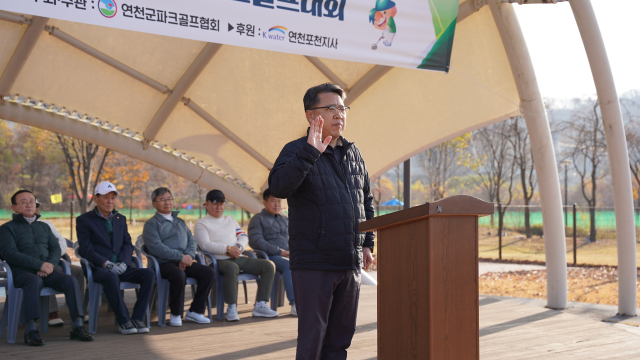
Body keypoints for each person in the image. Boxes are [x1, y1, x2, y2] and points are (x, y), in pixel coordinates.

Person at [268, 83, 375, 360]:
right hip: (315, 263)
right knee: (312, 341)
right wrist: (309, 153)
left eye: (342, 108)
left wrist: (367, 244)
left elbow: (366, 201)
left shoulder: (354, 153)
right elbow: (278, 187)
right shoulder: (296, 150)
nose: (339, 114)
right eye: (330, 108)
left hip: (349, 262)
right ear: (310, 115)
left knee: (340, 340)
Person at [0, 190, 93, 346]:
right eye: (23, 202)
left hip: (47, 270)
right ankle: (30, 330)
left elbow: (55, 248)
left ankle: (77, 325)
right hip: (21, 273)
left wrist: (49, 264)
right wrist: (39, 265)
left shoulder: (44, 226)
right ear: (14, 208)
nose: (29, 204)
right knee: (34, 281)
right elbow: (10, 254)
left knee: (70, 280)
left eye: (32, 201)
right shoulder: (6, 229)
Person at [76, 181, 155, 335]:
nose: (110, 201)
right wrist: (106, 264)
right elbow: (86, 249)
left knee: (148, 274)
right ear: (96, 199)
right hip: (98, 268)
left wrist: (125, 263)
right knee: (111, 277)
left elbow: (127, 243)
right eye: (106, 197)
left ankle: (137, 318)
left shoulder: (120, 218)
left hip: (121, 266)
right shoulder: (84, 220)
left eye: (113, 197)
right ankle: (123, 320)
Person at [194, 189, 279, 322]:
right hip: (218, 261)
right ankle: (232, 307)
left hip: (237, 257)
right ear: (207, 204)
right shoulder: (201, 223)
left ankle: (260, 305)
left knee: (268, 265)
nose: (219, 207)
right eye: (215, 203)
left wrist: (238, 248)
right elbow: (205, 245)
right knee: (232, 268)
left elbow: (243, 236)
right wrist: (227, 250)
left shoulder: (231, 220)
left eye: (221, 203)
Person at [142, 187, 215, 327]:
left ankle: (195, 311)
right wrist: (180, 257)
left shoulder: (180, 222)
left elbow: (191, 241)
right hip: (162, 263)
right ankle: (176, 314)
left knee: (208, 272)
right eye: (162, 199)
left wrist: (187, 256)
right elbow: (157, 247)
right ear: (154, 204)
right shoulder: (151, 224)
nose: (167, 202)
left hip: (183, 260)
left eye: (169, 199)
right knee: (178, 275)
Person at [35, 201, 86, 328]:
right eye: (28, 204)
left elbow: (61, 244)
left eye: (36, 205)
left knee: (78, 271)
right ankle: (52, 313)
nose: (34, 208)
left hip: (53, 260)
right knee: (51, 272)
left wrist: (52, 258)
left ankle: (79, 310)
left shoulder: (47, 224)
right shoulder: (14, 227)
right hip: (35, 265)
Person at [248, 188, 296, 316]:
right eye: (273, 201)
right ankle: (295, 304)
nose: (277, 205)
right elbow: (256, 241)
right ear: (264, 202)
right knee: (288, 265)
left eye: (279, 201)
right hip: (269, 257)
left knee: (309, 263)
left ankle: (311, 302)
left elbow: (295, 237)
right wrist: (280, 252)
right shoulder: (257, 219)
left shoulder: (284, 219)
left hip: (288, 255)